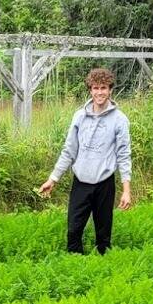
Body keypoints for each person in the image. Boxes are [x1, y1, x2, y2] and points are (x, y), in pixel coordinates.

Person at [39, 67, 133, 253]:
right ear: (90, 89)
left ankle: (102, 270)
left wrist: (126, 190)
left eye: (104, 88)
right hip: (81, 182)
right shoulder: (79, 116)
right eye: (96, 88)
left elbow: (123, 155)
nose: (99, 92)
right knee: (73, 230)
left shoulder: (120, 120)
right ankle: (75, 265)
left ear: (110, 90)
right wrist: (53, 179)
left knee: (103, 235)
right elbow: (69, 151)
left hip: (104, 184)